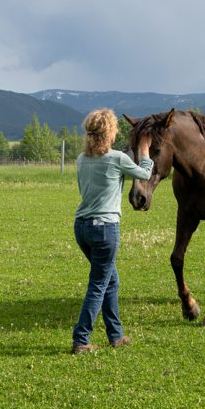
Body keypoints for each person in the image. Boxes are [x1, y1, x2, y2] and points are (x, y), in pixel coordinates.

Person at [71, 108, 153, 354]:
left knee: (110, 280)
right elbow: (145, 175)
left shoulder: (81, 159)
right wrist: (146, 151)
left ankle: (116, 335)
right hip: (105, 229)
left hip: (82, 227)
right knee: (98, 284)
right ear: (110, 132)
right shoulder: (117, 158)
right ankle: (81, 339)